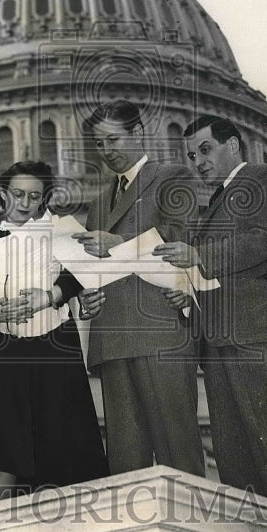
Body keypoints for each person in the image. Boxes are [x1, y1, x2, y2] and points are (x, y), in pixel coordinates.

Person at [153, 114, 267, 506]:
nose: (198, 162)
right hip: (220, 338)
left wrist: (197, 256)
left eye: (206, 150)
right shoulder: (213, 206)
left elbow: (263, 240)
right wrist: (188, 292)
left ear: (233, 145)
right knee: (234, 453)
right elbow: (218, 274)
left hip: (257, 332)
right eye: (192, 155)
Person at [0, 161, 108, 502]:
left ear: (44, 201)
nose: (25, 203)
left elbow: (78, 272)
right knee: (2, 450)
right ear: (2, 195)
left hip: (54, 349)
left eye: (34, 196)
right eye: (18, 194)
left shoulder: (61, 235)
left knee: (60, 449)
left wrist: (52, 295)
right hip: (2, 352)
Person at [72, 100, 206, 478]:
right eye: (99, 144)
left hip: (157, 331)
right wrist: (88, 296)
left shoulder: (172, 176)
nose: (108, 151)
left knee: (177, 455)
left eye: (114, 140)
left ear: (138, 133)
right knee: (125, 464)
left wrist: (113, 242)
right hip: (112, 337)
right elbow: (96, 267)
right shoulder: (99, 203)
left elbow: (177, 235)